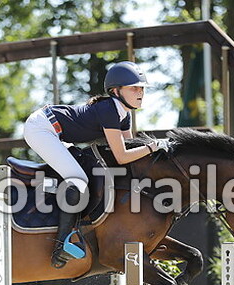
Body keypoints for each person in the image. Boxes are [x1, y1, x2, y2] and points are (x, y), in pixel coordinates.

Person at [23, 61, 161, 268]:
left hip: (57, 131)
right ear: (116, 91)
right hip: (41, 128)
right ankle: (61, 245)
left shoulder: (124, 116)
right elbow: (122, 156)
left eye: (142, 88)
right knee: (78, 180)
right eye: (134, 88)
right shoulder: (109, 110)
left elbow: (129, 157)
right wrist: (154, 146)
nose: (140, 92)